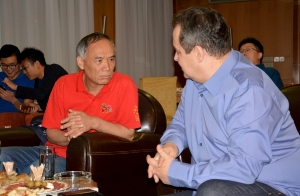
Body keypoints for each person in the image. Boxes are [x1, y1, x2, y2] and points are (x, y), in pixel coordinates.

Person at [146, 6, 300, 196]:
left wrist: (177, 172)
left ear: (199, 53)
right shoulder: (194, 82)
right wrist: (171, 145)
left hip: (272, 187)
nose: (175, 57)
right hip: (215, 185)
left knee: (212, 192)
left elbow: (243, 167)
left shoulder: (249, 90)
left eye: (177, 51)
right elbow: (181, 123)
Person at [0, 32, 141, 175]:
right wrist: (71, 136)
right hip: (53, 150)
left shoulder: (124, 84)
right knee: (3, 156)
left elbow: (128, 134)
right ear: (81, 62)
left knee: (35, 172)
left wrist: (93, 122)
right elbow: (51, 132)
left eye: (111, 59)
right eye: (99, 60)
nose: (107, 67)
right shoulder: (64, 84)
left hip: (83, 158)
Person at [2, 47, 68, 113]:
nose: (24, 72)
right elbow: (49, 103)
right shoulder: (37, 80)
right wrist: (38, 107)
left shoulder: (53, 69)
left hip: (71, 111)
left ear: (37, 64)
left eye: (25, 68)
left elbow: (42, 94)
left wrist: (16, 87)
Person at [0, 44, 34, 113]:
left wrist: (13, 100)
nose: (8, 69)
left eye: (12, 65)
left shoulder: (29, 79)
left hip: (15, 120)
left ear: (20, 63)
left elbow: (27, 110)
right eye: (4, 65)